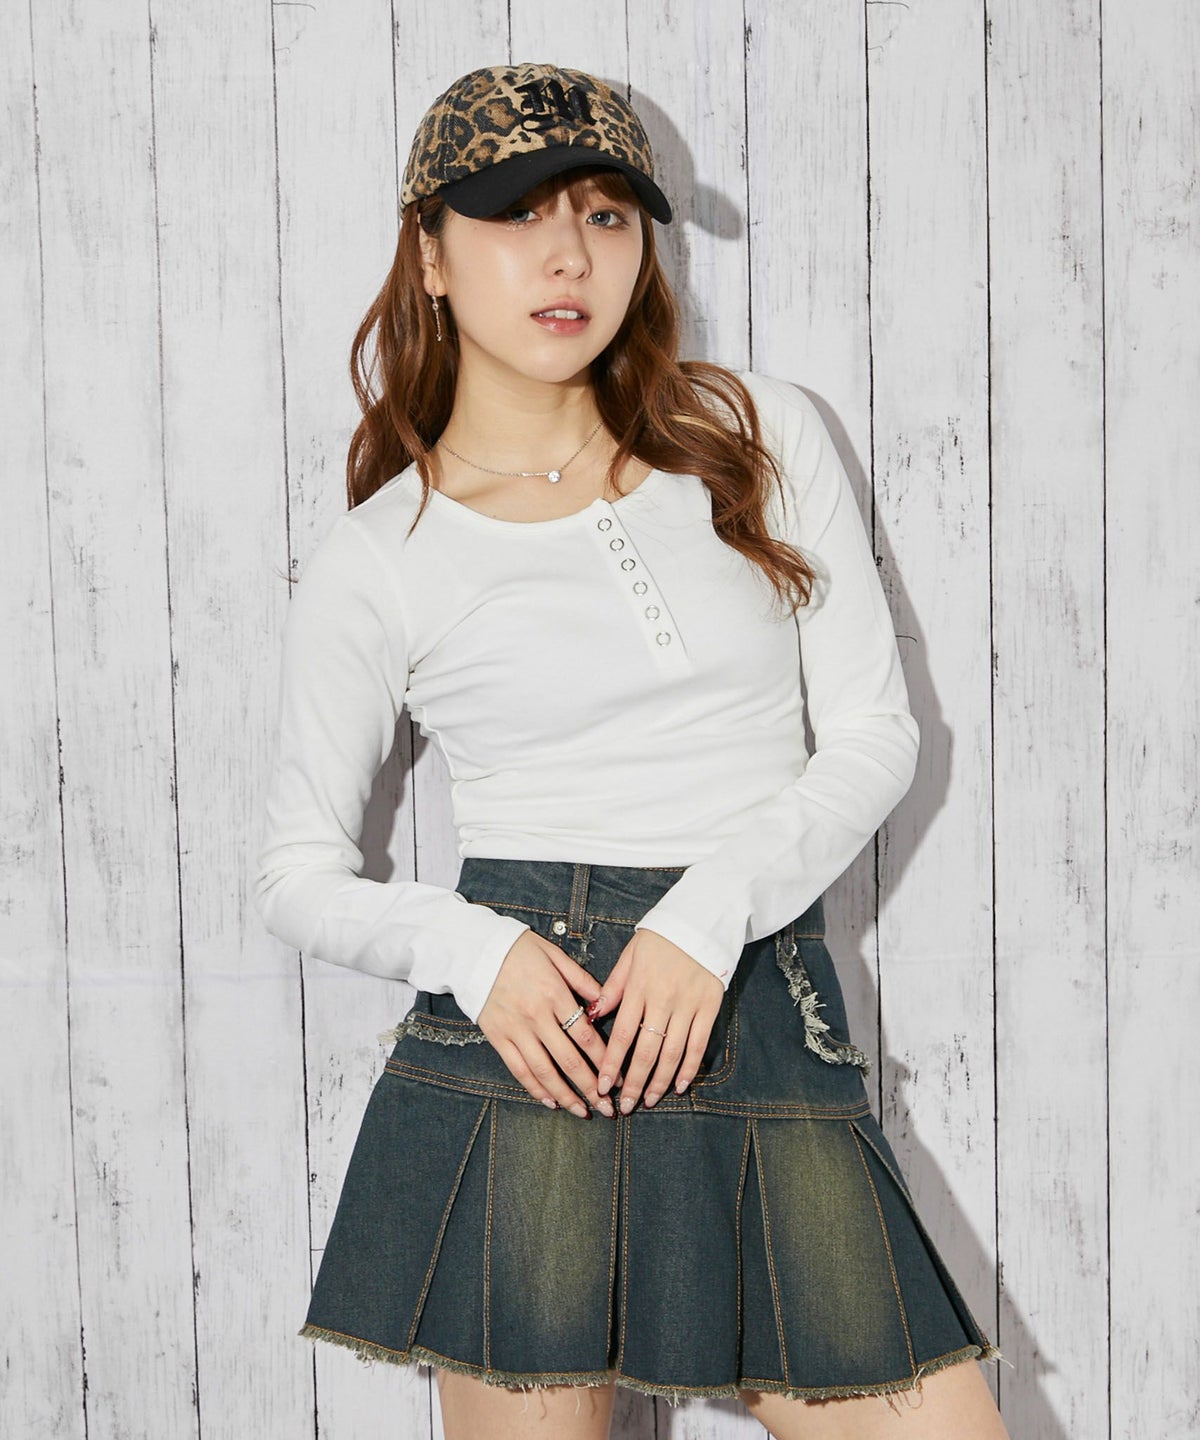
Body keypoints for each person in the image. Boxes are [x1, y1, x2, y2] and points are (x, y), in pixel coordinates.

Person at [253, 61, 1009, 1440]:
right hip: (529, 1033)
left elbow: (873, 737)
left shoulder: (751, 433)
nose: (569, 256)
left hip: (751, 987)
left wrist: (707, 916)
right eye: (515, 215)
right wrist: (469, 948)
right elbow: (296, 873)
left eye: (605, 216)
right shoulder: (382, 554)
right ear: (429, 254)